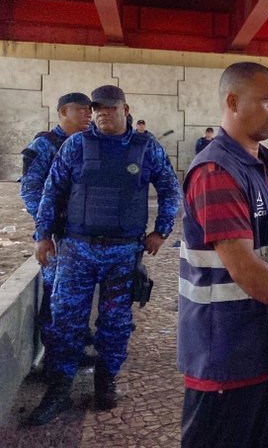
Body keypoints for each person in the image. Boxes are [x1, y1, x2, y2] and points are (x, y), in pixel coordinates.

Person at [178, 62, 268, 448]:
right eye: (266, 99)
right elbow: (243, 267)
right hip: (225, 354)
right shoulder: (217, 170)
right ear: (232, 101)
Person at [26, 84, 180, 426]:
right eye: (97, 108)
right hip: (76, 249)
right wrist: (43, 236)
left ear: (126, 109)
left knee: (115, 324)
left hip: (123, 252)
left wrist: (161, 230)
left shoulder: (146, 148)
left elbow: (170, 188)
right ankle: (58, 390)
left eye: (110, 108)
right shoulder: (75, 146)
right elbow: (53, 191)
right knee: (65, 320)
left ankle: (105, 382)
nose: (101, 113)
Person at [20, 92, 92, 380]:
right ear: (64, 112)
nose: (88, 114)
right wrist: (46, 229)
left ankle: (71, 353)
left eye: (90, 110)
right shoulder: (45, 145)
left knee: (76, 299)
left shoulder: (88, 144)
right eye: (82, 110)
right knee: (54, 298)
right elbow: (30, 190)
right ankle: (52, 363)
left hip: (81, 236)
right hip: (57, 236)